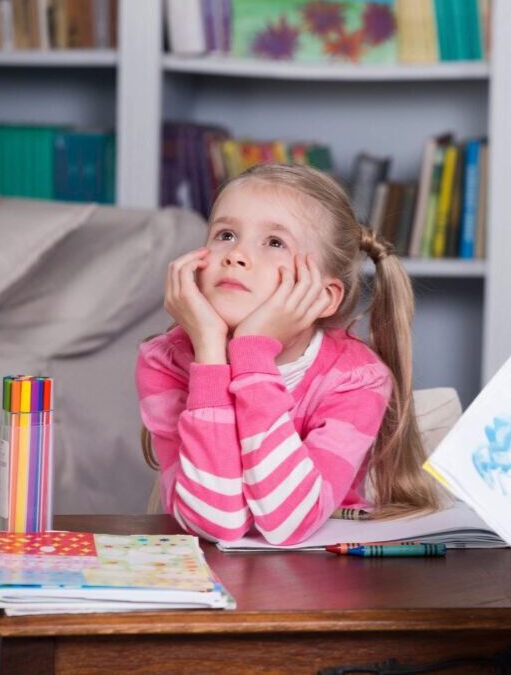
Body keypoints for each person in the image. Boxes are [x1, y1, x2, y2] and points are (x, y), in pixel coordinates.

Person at [136, 163, 438, 544]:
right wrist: (210, 351)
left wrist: (252, 353)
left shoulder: (356, 379)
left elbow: (288, 523)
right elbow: (217, 522)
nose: (236, 255)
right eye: (225, 234)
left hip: (322, 581)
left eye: (274, 242)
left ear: (323, 296)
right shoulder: (166, 361)